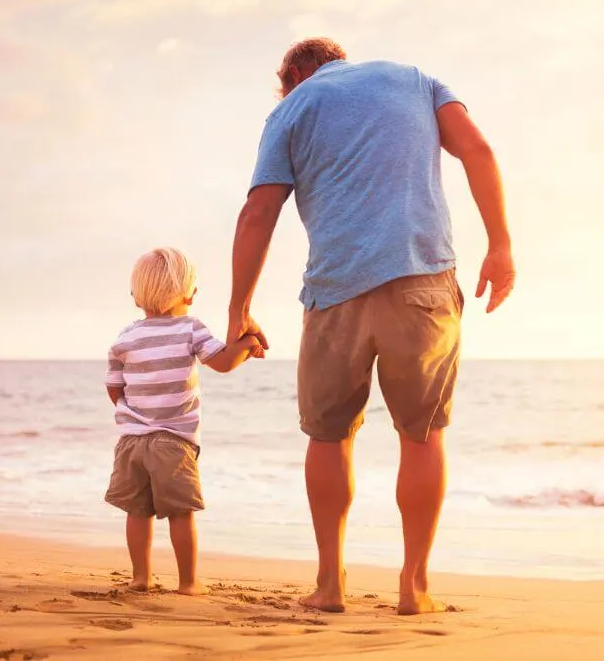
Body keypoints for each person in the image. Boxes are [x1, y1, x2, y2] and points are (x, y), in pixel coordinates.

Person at [227, 38, 516, 615]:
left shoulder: (291, 108)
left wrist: (238, 311)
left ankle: (330, 586)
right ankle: (415, 587)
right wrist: (501, 245)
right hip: (423, 281)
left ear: (294, 73)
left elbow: (260, 210)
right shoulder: (414, 79)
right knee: (423, 432)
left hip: (336, 294)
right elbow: (478, 150)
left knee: (329, 436)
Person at [104, 247, 264, 596]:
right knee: (180, 513)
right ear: (188, 292)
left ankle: (140, 577)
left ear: (136, 295)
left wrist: (135, 415)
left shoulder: (125, 336)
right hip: (173, 440)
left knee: (137, 511)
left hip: (131, 441)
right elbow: (221, 362)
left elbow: (114, 388)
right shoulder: (190, 328)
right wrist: (248, 343)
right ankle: (189, 582)